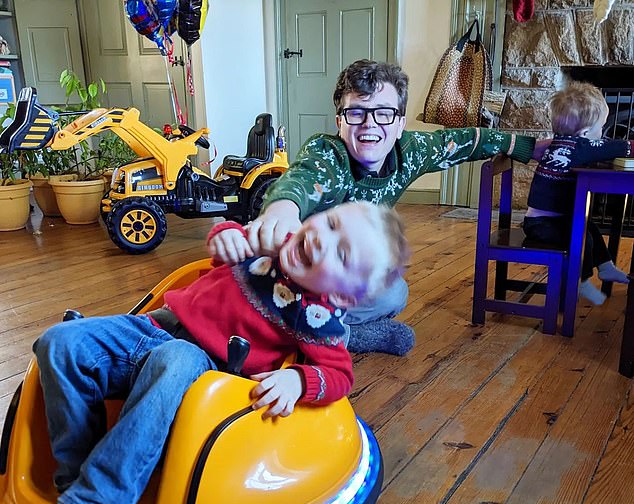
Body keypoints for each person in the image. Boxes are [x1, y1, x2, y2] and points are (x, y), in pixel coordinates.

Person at [32, 200, 409, 504]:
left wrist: (298, 379)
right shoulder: (276, 241)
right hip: (156, 325)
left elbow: (340, 375)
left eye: (341, 254)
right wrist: (225, 234)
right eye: (329, 223)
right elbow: (229, 239)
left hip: (204, 365)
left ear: (343, 296)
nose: (320, 240)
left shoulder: (318, 318)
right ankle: (74, 476)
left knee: (174, 357)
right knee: (61, 341)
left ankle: (97, 500)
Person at [210, 59, 543, 356]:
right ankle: (324, 335)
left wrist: (526, 147)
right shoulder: (328, 153)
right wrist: (281, 210)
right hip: (286, 270)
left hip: (329, 280)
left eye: (384, 113)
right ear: (339, 121)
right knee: (248, 288)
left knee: (393, 293)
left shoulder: (410, 151)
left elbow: (466, 141)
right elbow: (303, 178)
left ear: (399, 124)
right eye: (356, 112)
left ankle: (315, 332)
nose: (370, 124)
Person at [522, 81, 634, 305]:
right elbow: (619, 147)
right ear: (584, 133)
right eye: (600, 128)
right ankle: (580, 281)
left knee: (589, 226)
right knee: (582, 237)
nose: (601, 134)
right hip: (542, 225)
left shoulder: (557, 142)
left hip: (543, 220)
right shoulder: (580, 146)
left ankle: (606, 267)